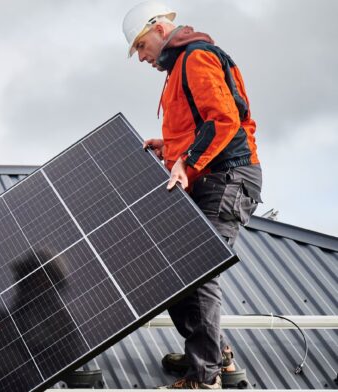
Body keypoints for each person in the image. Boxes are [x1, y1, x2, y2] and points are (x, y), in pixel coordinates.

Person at [123, 1, 263, 389]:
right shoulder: (178, 68)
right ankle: (216, 353)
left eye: (140, 46)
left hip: (227, 178)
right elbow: (195, 127)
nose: (141, 58)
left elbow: (223, 120)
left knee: (198, 270)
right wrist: (169, 149)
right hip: (209, 176)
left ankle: (205, 377)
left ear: (158, 30)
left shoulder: (197, 56)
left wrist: (185, 162)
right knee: (175, 271)